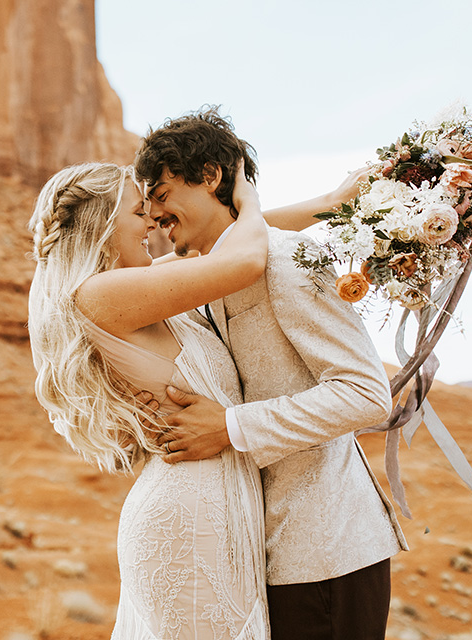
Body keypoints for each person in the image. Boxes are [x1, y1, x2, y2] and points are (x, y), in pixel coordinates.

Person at [26, 159, 362, 639]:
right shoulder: (100, 294)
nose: (151, 223)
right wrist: (247, 198)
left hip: (214, 502)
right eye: (138, 211)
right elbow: (241, 260)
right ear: (102, 223)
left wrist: (329, 205)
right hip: (188, 517)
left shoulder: (134, 285)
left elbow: (228, 241)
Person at [135, 108, 408, 640]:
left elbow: (366, 394)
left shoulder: (288, 260)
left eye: (162, 194)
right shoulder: (197, 274)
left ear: (211, 177)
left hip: (326, 555)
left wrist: (229, 427)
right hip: (258, 557)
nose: (153, 215)